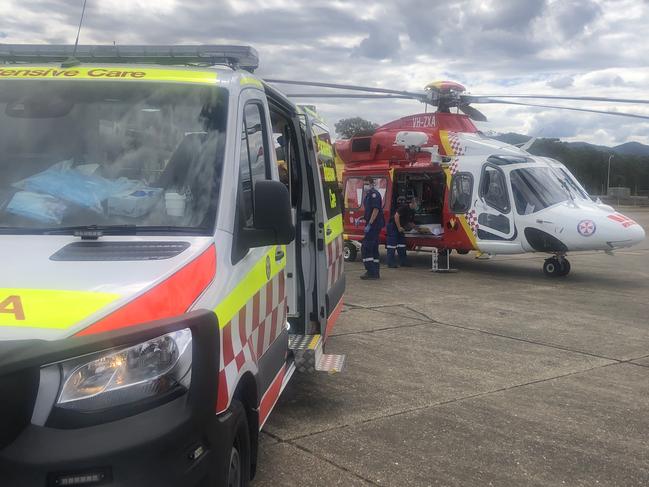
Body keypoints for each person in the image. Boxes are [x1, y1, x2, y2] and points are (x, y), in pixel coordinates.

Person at [360, 176, 384, 279]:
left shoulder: (374, 194)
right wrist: (363, 217)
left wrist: (369, 223)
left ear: (371, 183)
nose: (364, 186)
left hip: (373, 225)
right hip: (373, 224)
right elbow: (370, 211)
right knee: (373, 248)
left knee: (366, 247)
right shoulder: (369, 194)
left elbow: (376, 210)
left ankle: (371, 271)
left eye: (366, 183)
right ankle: (375, 272)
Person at [387, 197, 417, 268]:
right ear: (413, 203)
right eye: (417, 204)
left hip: (400, 228)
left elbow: (410, 222)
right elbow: (396, 216)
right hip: (393, 226)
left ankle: (403, 261)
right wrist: (399, 227)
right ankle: (390, 262)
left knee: (402, 245)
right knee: (392, 245)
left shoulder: (412, 211)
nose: (417, 206)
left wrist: (416, 227)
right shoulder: (404, 207)